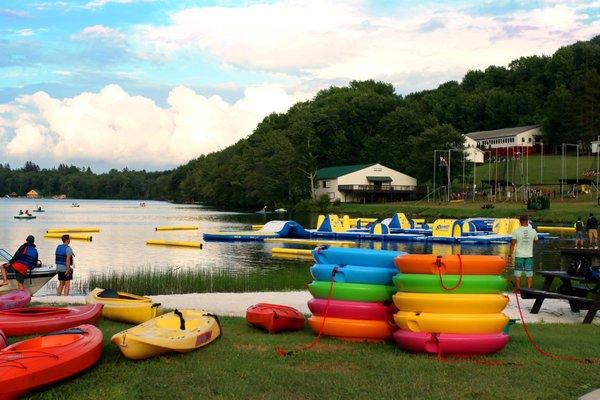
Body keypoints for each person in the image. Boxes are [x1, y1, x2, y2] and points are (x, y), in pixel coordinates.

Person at [509, 214, 538, 289]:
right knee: (529, 274)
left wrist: (510, 254)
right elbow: (536, 241)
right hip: (529, 256)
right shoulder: (533, 231)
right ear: (528, 221)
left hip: (519, 256)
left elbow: (512, 244)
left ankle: (518, 290)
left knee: (518, 273)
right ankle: (529, 289)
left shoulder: (516, 231)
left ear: (520, 221)